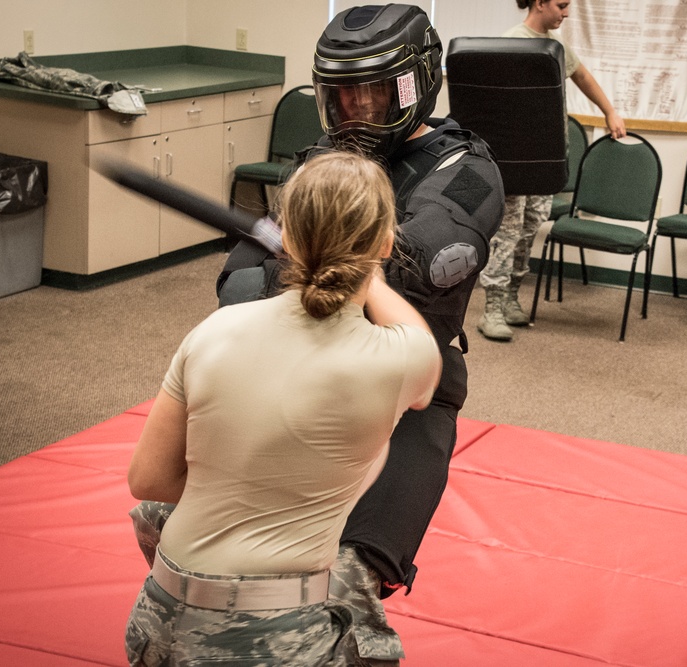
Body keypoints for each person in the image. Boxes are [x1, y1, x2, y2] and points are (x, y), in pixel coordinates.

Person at [131, 5, 504, 665]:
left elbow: (420, 265)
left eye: (375, 92)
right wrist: (321, 263)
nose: (357, 111)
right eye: (343, 96)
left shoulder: (463, 169)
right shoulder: (324, 159)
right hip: (296, 357)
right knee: (156, 511)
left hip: (390, 383)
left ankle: (347, 604)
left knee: (354, 574)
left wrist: (304, 253)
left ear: (418, 84)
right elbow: (242, 281)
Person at [124, 151, 442, 666]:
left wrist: (236, 481)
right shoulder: (404, 359)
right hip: (272, 635)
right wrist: (370, 276)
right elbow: (418, 342)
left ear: (287, 237)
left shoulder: (215, 331)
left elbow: (149, 481)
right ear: (385, 242)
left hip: (158, 621)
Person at [477, 0, 627, 341]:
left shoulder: (555, 46)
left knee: (530, 228)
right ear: (540, 2)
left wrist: (610, 112)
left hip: (546, 157)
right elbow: (495, 102)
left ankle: (512, 297)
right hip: (516, 157)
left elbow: (582, 76)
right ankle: (492, 309)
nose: (567, 12)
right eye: (561, 4)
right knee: (507, 234)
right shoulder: (512, 42)